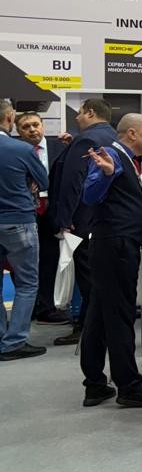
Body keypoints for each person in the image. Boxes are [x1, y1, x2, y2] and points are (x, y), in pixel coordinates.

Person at [79, 113, 142, 407]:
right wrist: (105, 174)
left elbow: (115, 197)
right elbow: (90, 196)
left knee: (99, 313)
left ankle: (95, 383)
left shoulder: (128, 159)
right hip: (115, 246)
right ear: (132, 133)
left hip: (114, 243)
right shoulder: (112, 156)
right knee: (120, 314)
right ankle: (129, 386)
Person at [48, 98, 117, 347]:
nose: (76, 118)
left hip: (83, 219)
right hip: (107, 219)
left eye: (79, 113)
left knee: (89, 276)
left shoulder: (86, 140)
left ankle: (89, 326)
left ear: (90, 113)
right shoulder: (113, 137)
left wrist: (65, 218)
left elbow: (72, 182)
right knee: (101, 274)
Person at [0, 99, 49, 361]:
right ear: (10, 118)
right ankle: (14, 342)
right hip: (18, 219)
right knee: (27, 283)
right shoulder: (21, 149)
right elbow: (43, 181)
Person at [14, 111, 69, 325]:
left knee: (50, 259)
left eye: (35, 125)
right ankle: (29, 307)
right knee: (23, 263)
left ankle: (46, 307)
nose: (32, 130)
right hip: (25, 210)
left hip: (51, 210)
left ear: (43, 125)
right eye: (26, 127)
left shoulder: (60, 147)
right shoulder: (15, 150)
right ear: (18, 131)